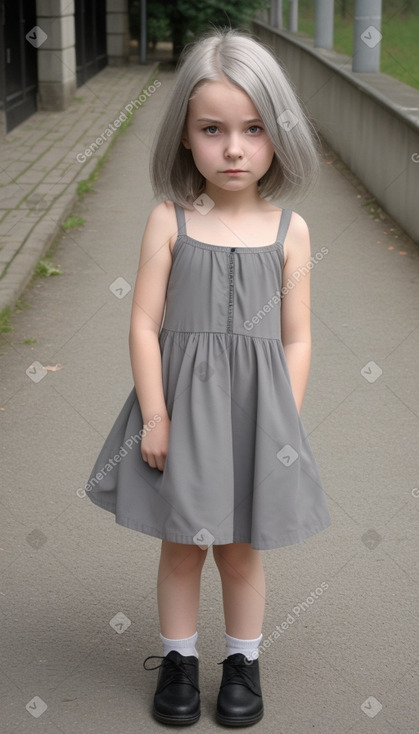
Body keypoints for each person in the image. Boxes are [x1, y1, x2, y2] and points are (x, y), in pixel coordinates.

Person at [84, 27, 331, 728]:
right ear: (185, 137)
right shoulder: (169, 221)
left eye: (253, 129)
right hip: (180, 415)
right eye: (212, 129)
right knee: (183, 546)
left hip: (258, 415)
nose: (233, 148)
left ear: (277, 133)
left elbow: (296, 335)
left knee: (241, 552)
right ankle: (179, 660)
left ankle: (244, 662)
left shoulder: (290, 232)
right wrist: (155, 416)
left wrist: (283, 419)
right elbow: (141, 323)